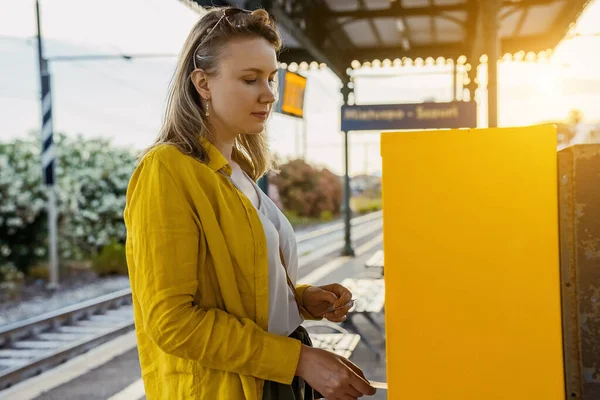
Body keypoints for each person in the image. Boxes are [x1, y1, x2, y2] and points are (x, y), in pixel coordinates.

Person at [123, 6, 377, 400]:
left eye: (272, 78)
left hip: (277, 376)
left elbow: (244, 287)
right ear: (202, 83)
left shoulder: (239, 171)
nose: (269, 94)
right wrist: (299, 360)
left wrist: (302, 299)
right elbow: (173, 323)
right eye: (250, 79)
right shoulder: (167, 170)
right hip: (230, 385)